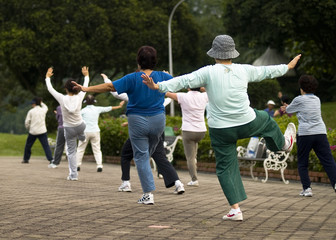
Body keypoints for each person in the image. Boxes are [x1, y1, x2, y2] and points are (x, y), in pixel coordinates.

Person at [142, 34, 300, 220]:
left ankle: (235, 209)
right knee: (267, 121)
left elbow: (183, 80)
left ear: (214, 53)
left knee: (226, 167)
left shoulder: (207, 72)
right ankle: (282, 145)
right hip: (247, 122)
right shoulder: (244, 70)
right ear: (232, 53)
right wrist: (287, 67)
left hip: (221, 129)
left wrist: (158, 86)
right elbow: (266, 71)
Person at [72, 46, 185, 205]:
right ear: (155, 61)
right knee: (149, 153)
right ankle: (168, 182)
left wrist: (86, 88)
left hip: (137, 120)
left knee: (141, 156)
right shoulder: (163, 76)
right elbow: (177, 84)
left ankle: (148, 194)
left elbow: (110, 87)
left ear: (138, 61)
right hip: (158, 121)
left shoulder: (132, 78)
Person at [281, 75, 336, 196]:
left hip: (306, 134)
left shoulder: (299, 99)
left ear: (302, 88)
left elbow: (289, 110)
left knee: (302, 162)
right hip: (320, 133)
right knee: (328, 161)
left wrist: (285, 107)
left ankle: (307, 189)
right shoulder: (317, 99)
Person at [45, 66, 89, 181]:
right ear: (77, 88)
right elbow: (86, 87)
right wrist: (86, 76)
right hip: (80, 126)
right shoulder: (80, 96)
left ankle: (73, 175)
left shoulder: (62, 98)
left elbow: (50, 89)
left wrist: (47, 78)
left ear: (66, 88)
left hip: (68, 129)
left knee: (71, 152)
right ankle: (82, 136)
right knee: (83, 126)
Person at [165, 88, 208, 186]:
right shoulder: (204, 96)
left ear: (189, 87)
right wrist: (203, 89)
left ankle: (194, 179)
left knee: (190, 157)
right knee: (193, 154)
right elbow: (212, 90)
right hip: (201, 131)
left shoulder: (183, 96)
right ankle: (194, 165)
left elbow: (167, 93)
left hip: (188, 130)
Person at [76, 94, 125, 172]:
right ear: (94, 102)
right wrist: (119, 106)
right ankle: (99, 165)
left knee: (80, 149)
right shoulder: (97, 109)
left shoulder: (83, 111)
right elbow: (108, 108)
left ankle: (77, 165)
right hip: (95, 131)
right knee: (97, 149)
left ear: (85, 102)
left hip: (85, 131)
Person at [22, 97, 53, 164]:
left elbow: (27, 122)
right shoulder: (43, 110)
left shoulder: (31, 111)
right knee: (46, 146)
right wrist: (40, 102)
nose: (32, 105)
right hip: (42, 131)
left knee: (28, 145)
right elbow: (46, 107)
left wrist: (28, 128)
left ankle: (26, 159)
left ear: (34, 104)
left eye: (33, 103)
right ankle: (50, 159)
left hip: (33, 131)